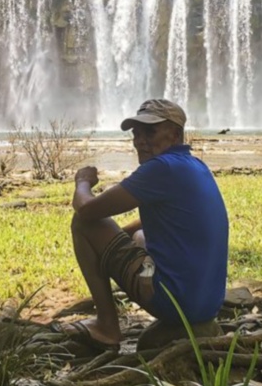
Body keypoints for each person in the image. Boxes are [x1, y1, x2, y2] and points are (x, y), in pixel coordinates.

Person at [67, 99, 228, 349]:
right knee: (140, 236)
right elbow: (166, 218)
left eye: (150, 131)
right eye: (136, 132)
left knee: (83, 224)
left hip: (173, 303)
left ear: (175, 134)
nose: (140, 140)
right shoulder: (194, 165)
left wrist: (83, 182)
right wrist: (114, 242)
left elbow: (88, 210)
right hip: (204, 306)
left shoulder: (161, 168)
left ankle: (106, 326)